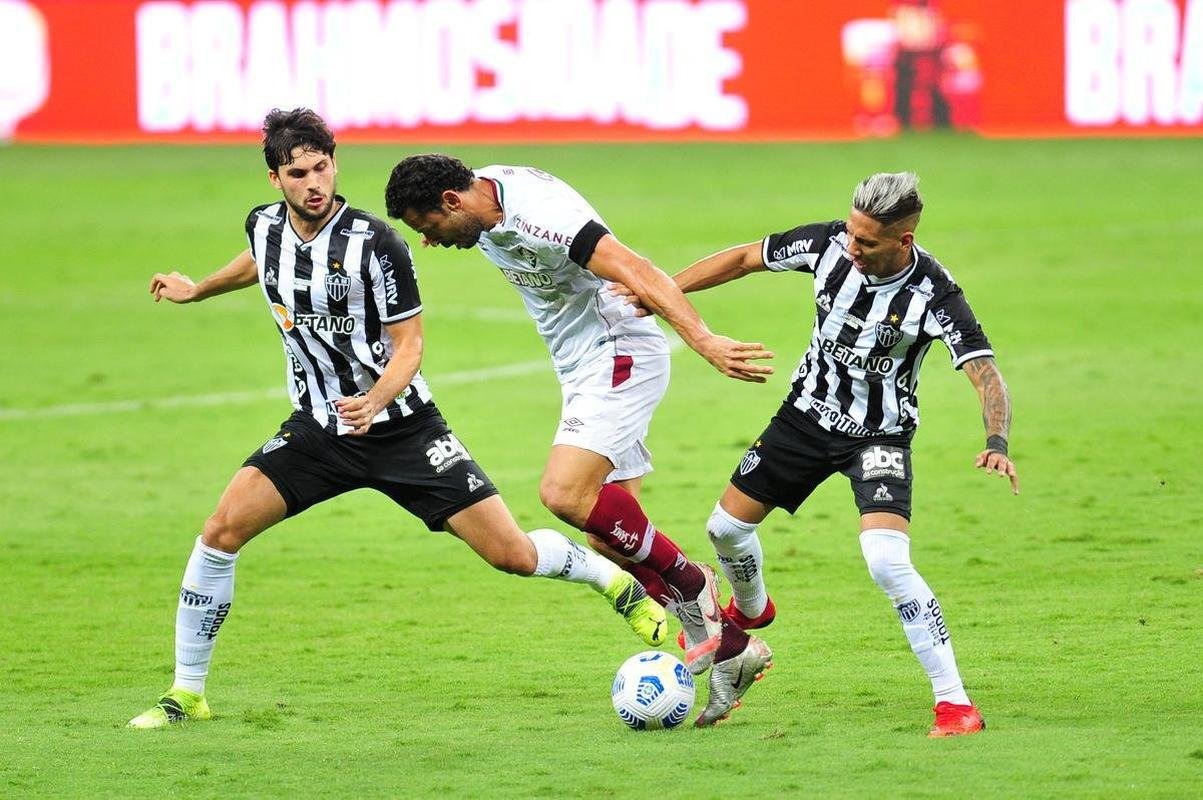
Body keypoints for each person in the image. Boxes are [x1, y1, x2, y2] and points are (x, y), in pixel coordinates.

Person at [127, 109, 666, 729]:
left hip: (405, 430)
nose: (314, 183)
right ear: (274, 177)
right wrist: (198, 289)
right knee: (220, 531)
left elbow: (409, 344)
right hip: (320, 431)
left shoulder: (377, 243)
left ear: (334, 162)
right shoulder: (265, 226)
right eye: (298, 172)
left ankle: (610, 580)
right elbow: (258, 258)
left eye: (322, 167)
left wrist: (378, 399)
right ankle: (186, 692)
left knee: (511, 554)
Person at [616, 172, 1016, 737]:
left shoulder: (935, 294)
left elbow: (984, 373)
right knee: (725, 529)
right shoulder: (828, 244)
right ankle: (753, 612)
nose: (851, 247)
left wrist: (996, 442)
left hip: (880, 437)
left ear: (903, 241)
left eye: (867, 242)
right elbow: (743, 258)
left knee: (886, 561)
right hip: (804, 420)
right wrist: (662, 295)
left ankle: (954, 704)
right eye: (851, 232)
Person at [385, 156, 775, 726]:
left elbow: (634, 266)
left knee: (564, 494)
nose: (427, 241)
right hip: (580, 365)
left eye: (428, 226)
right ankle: (735, 649)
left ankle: (693, 586)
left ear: (452, 201)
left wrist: (702, 338)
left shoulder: (542, 216)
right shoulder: (483, 198)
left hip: (617, 352)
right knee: (609, 538)